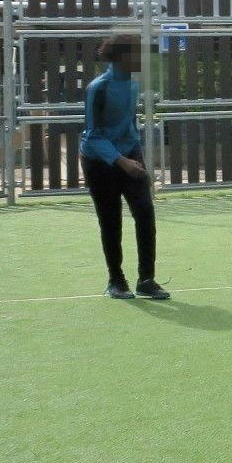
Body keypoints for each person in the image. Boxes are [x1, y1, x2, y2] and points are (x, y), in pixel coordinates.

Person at [80, 33, 169, 301]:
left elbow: (130, 127)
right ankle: (116, 280)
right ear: (121, 57)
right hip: (99, 162)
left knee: (145, 213)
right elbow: (92, 135)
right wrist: (121, 161)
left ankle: (146, 280)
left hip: (130, 156)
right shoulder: (99, 87)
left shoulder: (131, 85)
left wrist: (140, 163)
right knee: (111, 221)